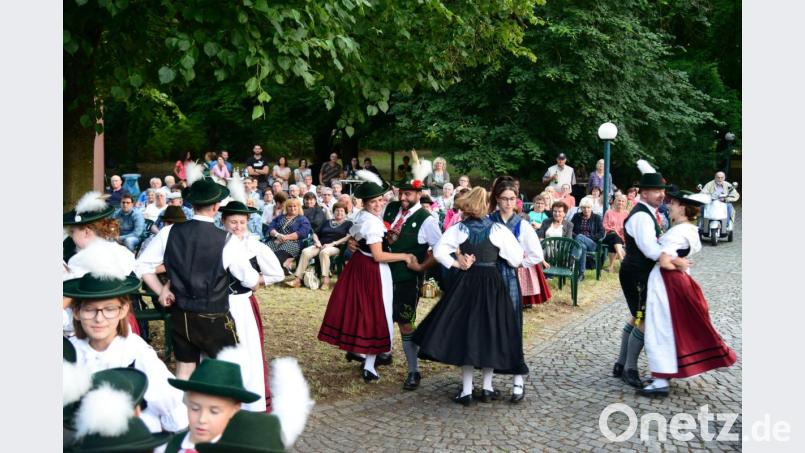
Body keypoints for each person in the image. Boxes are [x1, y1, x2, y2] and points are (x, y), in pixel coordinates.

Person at [136, 163, 264, 381]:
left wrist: (161, 290)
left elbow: (141, 266)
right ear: (215, 207)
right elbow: (250, 280)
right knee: (226, 371)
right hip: (214, 317)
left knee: (185, 370)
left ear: (192, 204)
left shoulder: (169, 232)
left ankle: (183, 405)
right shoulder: (227, 240)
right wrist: (258, 279)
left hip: (181, 314)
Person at [413, 187, 525, 406]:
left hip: (467, 283)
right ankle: (487, 388)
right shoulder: (498, 229)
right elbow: (516, 258)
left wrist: (457, 263)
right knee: (490, 331)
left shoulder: (459, 228)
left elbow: (439, 252)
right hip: (492, 283)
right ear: (488, 205)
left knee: (468, 332)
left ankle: (466, 390)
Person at [65, 242, 188, 433]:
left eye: (109, 309)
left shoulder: (136, 354)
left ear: (123, 310)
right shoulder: (68, 353)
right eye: (89, 310)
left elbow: (172, 408)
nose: (99, 319)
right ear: (76, 312)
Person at [318, 172, 416, 383]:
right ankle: (369, 365)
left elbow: (356, 235)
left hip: (360, 265)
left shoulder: (363, 216)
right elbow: (378, 255)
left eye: (380, 200)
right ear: (365, 203)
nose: (378, 204)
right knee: (376, 314)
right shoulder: (371, 223)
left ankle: (360, 352)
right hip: (372, 269)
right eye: (373, 202)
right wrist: (405, 256)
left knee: (362, 312)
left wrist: (358, 241)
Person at [639, 191, 737, 397]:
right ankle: (664, 374)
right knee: (673, 326)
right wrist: (679, 262)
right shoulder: (691, 229)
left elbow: (664, 262)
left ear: (683, 208)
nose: (669, 207)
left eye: (673, 204)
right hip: (680, 281)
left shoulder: (676, 233)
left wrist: (674, 263)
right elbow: (675, 257)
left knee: (661, 327)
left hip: (667, 283)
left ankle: (660, 381)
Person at [377, 167, 443, 391]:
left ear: (419, 194)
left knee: (406, 323)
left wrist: (422, 266)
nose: (403, 197)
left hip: (407, 279)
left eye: (408, 194)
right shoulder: (390, 208)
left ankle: (414, 371)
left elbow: (440, 250)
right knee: (381, 316)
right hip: (382, 273)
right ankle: (383, 353)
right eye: (401, 193)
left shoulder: (427, 219)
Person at [614, 160, 676, 388]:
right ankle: (629, 369)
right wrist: (674, 258)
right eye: (657, 191)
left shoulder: (648, 212)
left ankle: (621, 363)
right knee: (644, 320)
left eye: (662, 191)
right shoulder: (641, 216)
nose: (662, 195)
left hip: (638, 272)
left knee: (636, 317)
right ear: (644, 193)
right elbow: (650, 250)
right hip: (637, 274)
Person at [489, 178, 548, 401]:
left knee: (512, 326)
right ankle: (487, 382)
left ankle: (517, 379)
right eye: (504, 199)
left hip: (509, 276)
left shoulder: (521, 225)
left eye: (512, 199)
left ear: (517, 200)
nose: (508, 203)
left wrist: (517, 264)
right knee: (489, 326)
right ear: (497, 199)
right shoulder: (488, 221)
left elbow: (536, 255)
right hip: (488, 278)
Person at [164, 359, 261, 452]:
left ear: (235, 409)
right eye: (195, 408)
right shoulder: (173, 444)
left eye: (214, 412)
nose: (202, 419)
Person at [288, 202, 353, 289]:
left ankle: (326, 280)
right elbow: (315, 233)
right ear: (333, 212)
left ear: (345, 213)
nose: (339, 213)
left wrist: (333, 243)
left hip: (336, 247)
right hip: (320, 245)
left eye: (342, 211)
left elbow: (348, 237)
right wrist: (317, 241)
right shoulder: (327, 222)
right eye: (337, 210)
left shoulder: (348, 223)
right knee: (305, 251)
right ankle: (298, 280)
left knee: (324, 252)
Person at [265, 198, 312, 273]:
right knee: (263, 253)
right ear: (286, 208)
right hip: (276, 240)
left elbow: (302, 233)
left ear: (298, 207)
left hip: (293, 243)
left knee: (277, 258)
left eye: (295, 206)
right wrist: (277, 235)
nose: (292, 208)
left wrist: (285, 237)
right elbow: (271, 228)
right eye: (290, 206)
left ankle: (269, 271)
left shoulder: (303, 219)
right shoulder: (280, 217)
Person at [569, 197, 605, 281]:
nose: (586, 210)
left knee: (580, 237)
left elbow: (602, 233)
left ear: (591, 207)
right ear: (581, 208)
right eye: (584, 207)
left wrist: (588, 238)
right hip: (579, 243)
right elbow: (570, 229)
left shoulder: (596, 217)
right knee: (582, 247)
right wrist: (578, 237)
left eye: (588, 207)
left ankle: (572, 261)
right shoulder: (576, 216)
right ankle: (581, 274)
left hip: (592, 243)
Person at [602, 193, 629, 273]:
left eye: (623, 201)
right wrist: (612, 229)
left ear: (625, 203)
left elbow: (629, 226)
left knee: (614, 241)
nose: (620, 203)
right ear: (615, 202)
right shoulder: (609, 212)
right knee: (614, 235)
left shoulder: (627, 213)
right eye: (619, 201)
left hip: (621, 237)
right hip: (609, 235)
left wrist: (624, 229)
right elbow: (604, 225)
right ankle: (621, 258)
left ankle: (611, 267)